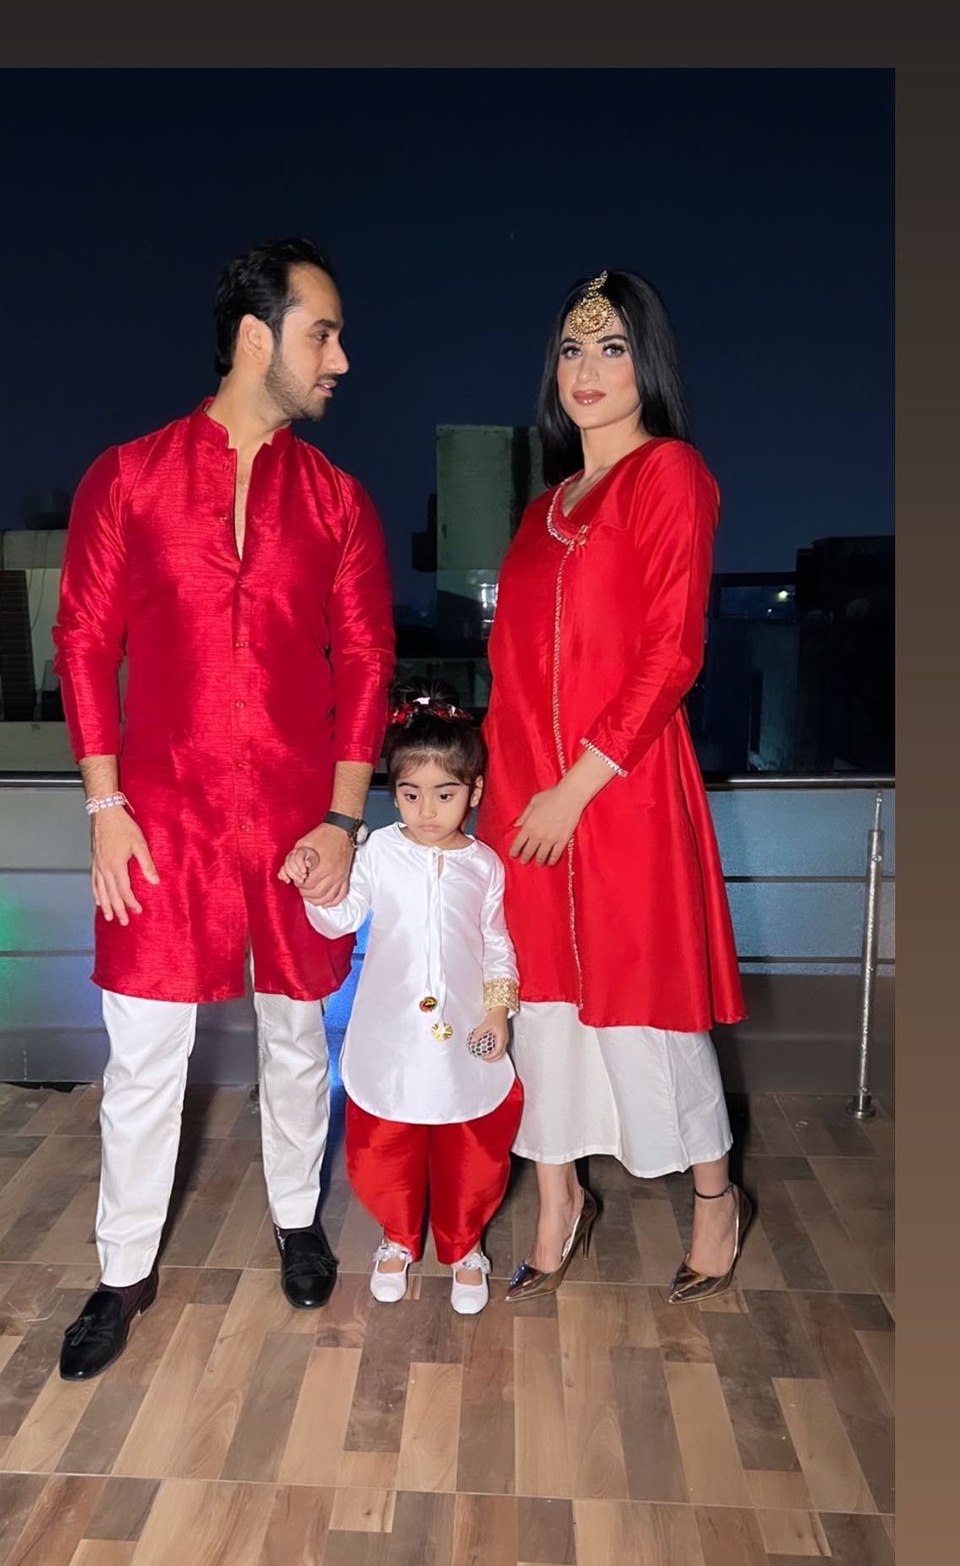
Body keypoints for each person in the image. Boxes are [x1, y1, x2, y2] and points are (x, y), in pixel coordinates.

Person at [52, 236, 395, 1379]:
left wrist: (342, 818)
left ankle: (297, 1217)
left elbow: (367, 659)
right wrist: (104, 802)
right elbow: (84, 639)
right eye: (322, 334)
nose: (340, 359)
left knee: (297, 1031)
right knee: (146, 1051)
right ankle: (121, 1271)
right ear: (258, 337)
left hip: (299, 818)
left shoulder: (339, 501)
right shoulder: (128, 477)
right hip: (158, 818)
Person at [477, 270, 749, 1304]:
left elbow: (672, 651)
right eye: (572, 349)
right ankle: (559, 1201)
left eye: (612, 347)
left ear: (648, 365)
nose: (587, 370)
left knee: (648, 1007)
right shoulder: (541, 509)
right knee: (542, 1006)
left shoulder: (669, 475)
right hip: (526, 799)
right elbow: (511, 675)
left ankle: (715, 1199)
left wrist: (576, 786)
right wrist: (505, 801)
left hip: (621, 792)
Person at [283, 685, 523, 1314]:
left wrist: (498, 1011)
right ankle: (397, 1237)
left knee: (471, 1141)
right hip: (391, 1031)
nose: (427, 810)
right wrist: (314, 884)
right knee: (385, 1141)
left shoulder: (485, 865)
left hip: (466, 1030)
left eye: (445, 794)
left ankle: (464, 1244)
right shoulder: (378, 852)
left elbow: (497, 943)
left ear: (473, 791)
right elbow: (341, 919)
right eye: (411, 794)